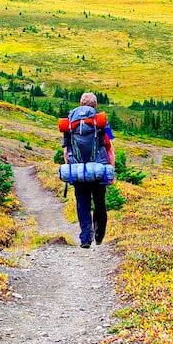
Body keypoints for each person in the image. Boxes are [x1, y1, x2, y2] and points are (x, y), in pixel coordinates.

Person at [62, 92, 115, 249]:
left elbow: (66, 149)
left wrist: (71, 167)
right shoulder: (101, 122)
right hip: (99, 168)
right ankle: (99, 235)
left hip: (78, 169)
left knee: (82, 203)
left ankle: (85, 238)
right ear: (95, 105)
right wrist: (111, 168)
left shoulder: (70, 122)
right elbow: (109, 146)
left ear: (80, 103)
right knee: (99, 202)